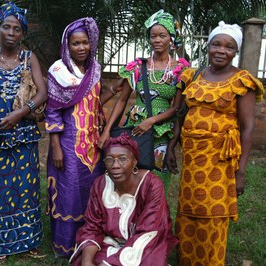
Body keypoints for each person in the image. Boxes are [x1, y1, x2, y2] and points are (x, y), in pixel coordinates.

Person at [166, 21, 265, 265]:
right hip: (192, 159)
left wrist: (241, 172)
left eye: (229, 47)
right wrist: (171, 147)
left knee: (213, 212)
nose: (222, 50)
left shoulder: (242, 81)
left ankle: (211, 260)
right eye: (216, 44)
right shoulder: (193, 76)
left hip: (220, 159)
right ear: (208, 46)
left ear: (236, 52)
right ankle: (187, 260)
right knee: (189, 210)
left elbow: (248, 127)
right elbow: (181, 113)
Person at [0, 2, 47, 261]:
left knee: (27, 189)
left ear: (22, 33)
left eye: (16, 29)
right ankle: (1, 244)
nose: (11, 33)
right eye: (6, 27)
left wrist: (21, 113)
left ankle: (29, 241)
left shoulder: (29, 58)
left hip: (24, 136)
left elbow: (43, 92)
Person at [45, 17, 120, 258]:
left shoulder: (95, 70)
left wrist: (110, 93)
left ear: (91, 43)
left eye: (85, 43)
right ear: (67, 45)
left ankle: (88, 243)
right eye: (75, 43)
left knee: (90, 193)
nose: (81, 48)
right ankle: (65, 247)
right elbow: (53, 110)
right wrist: (55, 146)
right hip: (67, 145)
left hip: (92, 146)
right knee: (68, 194)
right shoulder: (59, 71)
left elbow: (93, 105)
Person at [98, 10, 189, 181]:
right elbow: (122, 100)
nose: (157, 40)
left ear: (171, 37)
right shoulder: (138, 67)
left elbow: (176, 108)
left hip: (161, 130)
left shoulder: (180, 70)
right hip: (135, 127)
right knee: (130, 175)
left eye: (162, 35)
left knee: (157, 179)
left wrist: (152, 121)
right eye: (153, 36)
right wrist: (107, 131)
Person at [69, 133, 178, 266]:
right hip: (109, 242)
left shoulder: (151, 185)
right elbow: (92, 226)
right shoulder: (100, 184)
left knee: (149, 261)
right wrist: (87, 262)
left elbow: (149, 231)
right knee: (85, 258)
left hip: (145, 244)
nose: (115, 165)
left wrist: (109, 264)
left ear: (134, 162)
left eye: (122, 159)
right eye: (109, 159)